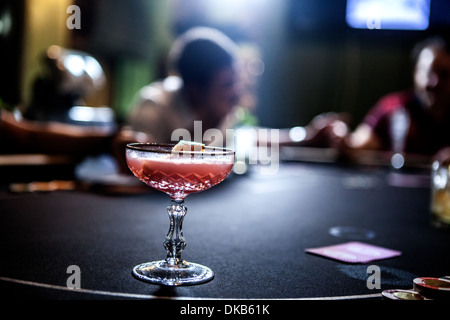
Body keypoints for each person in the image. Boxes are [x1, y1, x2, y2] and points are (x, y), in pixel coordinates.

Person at [295, 35, 450, 161]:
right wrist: (340, 137)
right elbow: (357, 144)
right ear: (415, 72)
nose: (434, 82)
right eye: (429, 72)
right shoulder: (393, 108)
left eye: (444, 74)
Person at [125, 27, 255, 145]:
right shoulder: (153, 108)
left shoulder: (224, 111)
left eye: (236, 81)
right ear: (195, 90)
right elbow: (147, 164)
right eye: (228, 84)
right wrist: (205, 125)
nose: (236, 92)